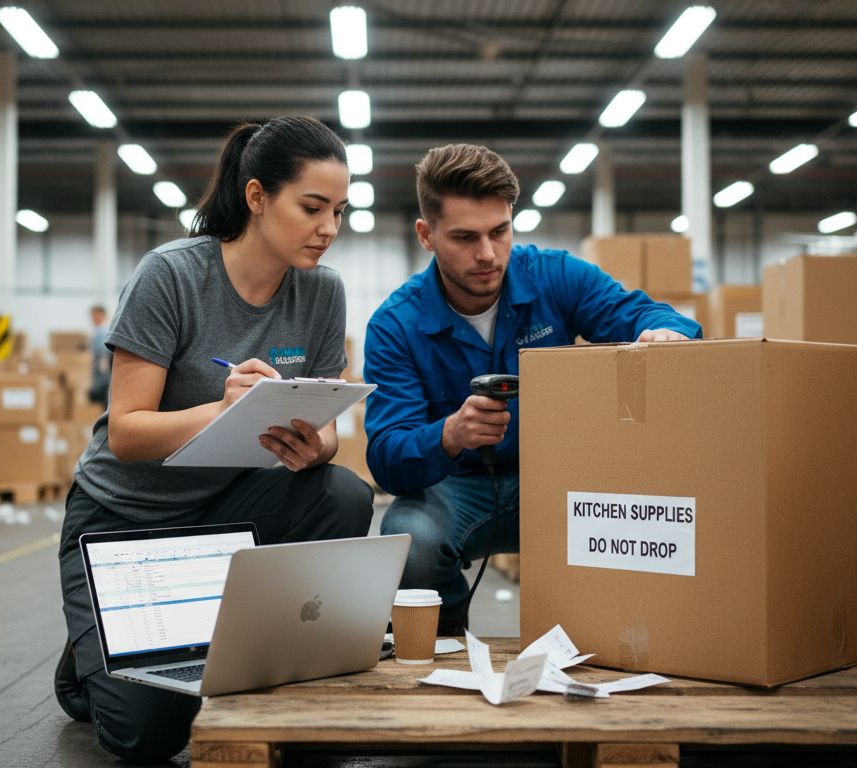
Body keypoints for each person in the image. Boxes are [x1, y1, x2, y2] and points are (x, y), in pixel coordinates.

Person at [55, 115, 373, 763]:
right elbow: (127, 433)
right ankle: (87, 659)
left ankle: (273, 653)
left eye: (340, 211)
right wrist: (219, 408)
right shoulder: (171, 276)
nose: (329, 229)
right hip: (124, 521)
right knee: (147, 736)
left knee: (340, 493)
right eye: (312, 207)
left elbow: (329, 435)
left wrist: (318, 444)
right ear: (257, 197)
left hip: (223, 512)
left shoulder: (322, 293)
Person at [364, 144, 701, 635]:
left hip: (559, 480)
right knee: (409, 542)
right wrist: (450, 434)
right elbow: (387, 458)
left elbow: (650, 313)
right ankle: (450, 629)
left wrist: (665, 334)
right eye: (464, 237)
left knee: (651, 515)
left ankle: (616, 637)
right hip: (455, 491)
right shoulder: (396, 324)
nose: (487, 254)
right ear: (426, 235)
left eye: (499, 232)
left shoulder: (556, 277)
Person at [86, 304, 111, 405]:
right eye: (92, 316)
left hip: (103, 373)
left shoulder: (103, 331)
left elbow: (105, 352)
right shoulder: (97, 332)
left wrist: (103, 365)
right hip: (99, 373)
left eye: (95, 315)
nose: (93, 318)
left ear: (102, 315)